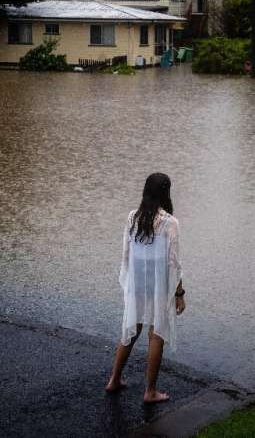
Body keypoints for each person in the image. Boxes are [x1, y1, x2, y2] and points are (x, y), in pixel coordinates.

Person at [105, 172, 185, 403]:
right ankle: (150, 391)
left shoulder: (133, 217)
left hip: (138, 282)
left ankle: (114, 380)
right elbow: (174, 264)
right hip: (159, 284)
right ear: (166, 193)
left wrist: (129, 283)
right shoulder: (170, 223)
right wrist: (179, 293)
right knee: (156, 333)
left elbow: (126, 253)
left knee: (132, 328)